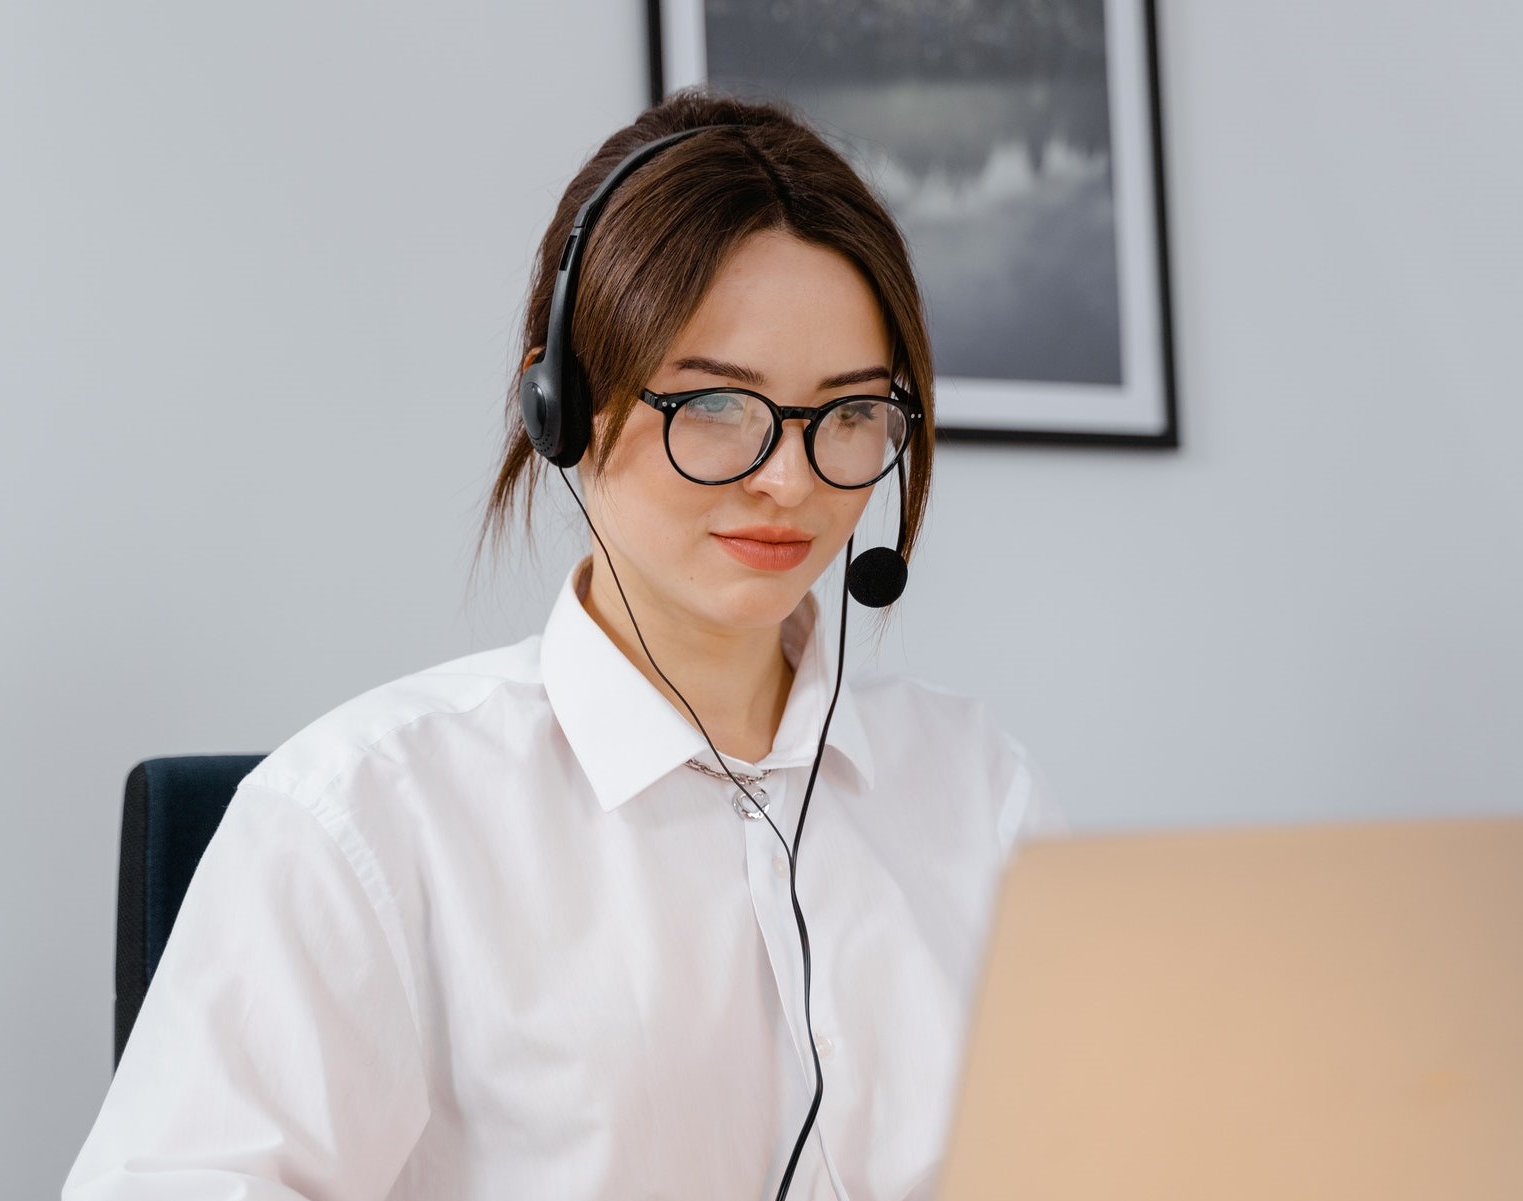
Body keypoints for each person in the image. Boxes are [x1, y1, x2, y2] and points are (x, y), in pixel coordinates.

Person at [64, 90, 1046, 1201]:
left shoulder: (977, 787)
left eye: (850, 410)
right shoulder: (365, 817)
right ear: (564, 403)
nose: (791, 477)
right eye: (719, 404)